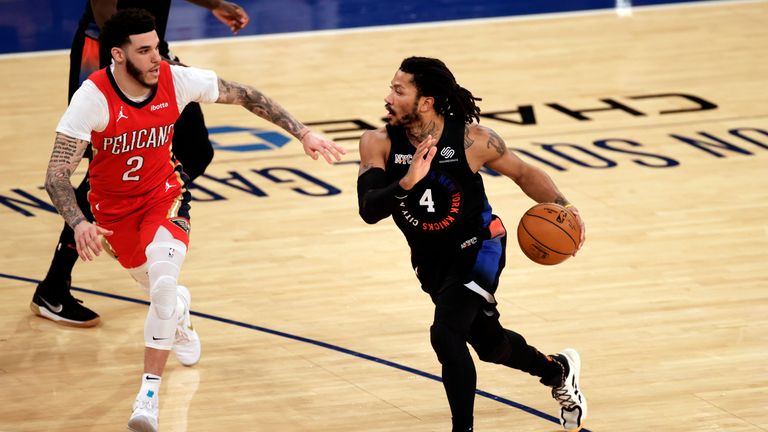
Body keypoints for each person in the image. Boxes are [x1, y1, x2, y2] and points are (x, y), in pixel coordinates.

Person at [43, 9, 345, 431]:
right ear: (117, 55)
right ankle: (179, 315)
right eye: (144, 50)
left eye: (157, 47)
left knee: (165, 279)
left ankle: (147, 397)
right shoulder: (92, 96)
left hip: (164, 195)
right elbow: (57, 174)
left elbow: (245, 95)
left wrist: (304, 133)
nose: (155, 57)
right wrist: (79, 222)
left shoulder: (175, 79)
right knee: (158, 289)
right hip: (113, 212)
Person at [356, 56, 587, 432]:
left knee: (445, 334)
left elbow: (523, 172)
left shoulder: (472, 139)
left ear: (426, 101)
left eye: (399, 91)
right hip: (432, 262)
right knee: (490, 345)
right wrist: (407, 181)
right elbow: (369, 210)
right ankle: (558, 370)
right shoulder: (377, 143)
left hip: (480, 245)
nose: (388, 97)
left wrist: (565, 207)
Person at [31, 0, 249, 328]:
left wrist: (214, 4)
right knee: (106, 168)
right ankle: (54, 286)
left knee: (197, 150)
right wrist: (149, 62)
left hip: (149, 52)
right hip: (107, 53)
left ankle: (142, 213)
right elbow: (108, 19)